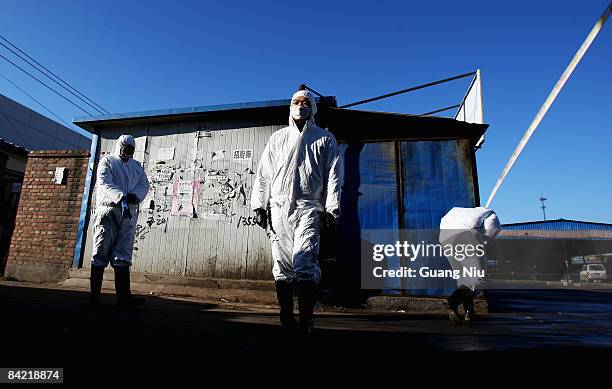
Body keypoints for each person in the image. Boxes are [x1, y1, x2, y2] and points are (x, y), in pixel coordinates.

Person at [250, 88, 343, 335]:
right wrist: (259, 204)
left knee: (305, 261)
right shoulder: (278, 138)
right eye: (296, 101)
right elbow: (263, 174)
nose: (300, 105)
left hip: (308, 208)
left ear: (312, 108)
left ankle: (306, 319)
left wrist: (332, 209)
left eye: (305, 102)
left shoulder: (324, 138)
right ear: (290, 106)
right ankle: (285, 314)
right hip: (278, 208)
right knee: (281, 264)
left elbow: (334, 176)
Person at [90, 134, 150, 308]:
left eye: (131, 149)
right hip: (108, 210)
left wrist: (134, 197)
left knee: (123, 254)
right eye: (125, 148)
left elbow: (144, 184)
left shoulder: (136, 166)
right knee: (101, 250)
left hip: (128, 214)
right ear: (119, 147)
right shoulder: (107, 161)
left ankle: (124, 298)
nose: (128, 152)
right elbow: (103, 183)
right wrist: (120, 197)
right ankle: (94, 298)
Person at [439, 207, 501, 325]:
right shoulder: (491, 213)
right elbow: (493, 228)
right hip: (466, 234)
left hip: (444, 236)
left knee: (463, 278)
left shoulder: (458, 211)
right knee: (478, 279)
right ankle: (453, 301)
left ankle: (469, 313)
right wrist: (482, 243)